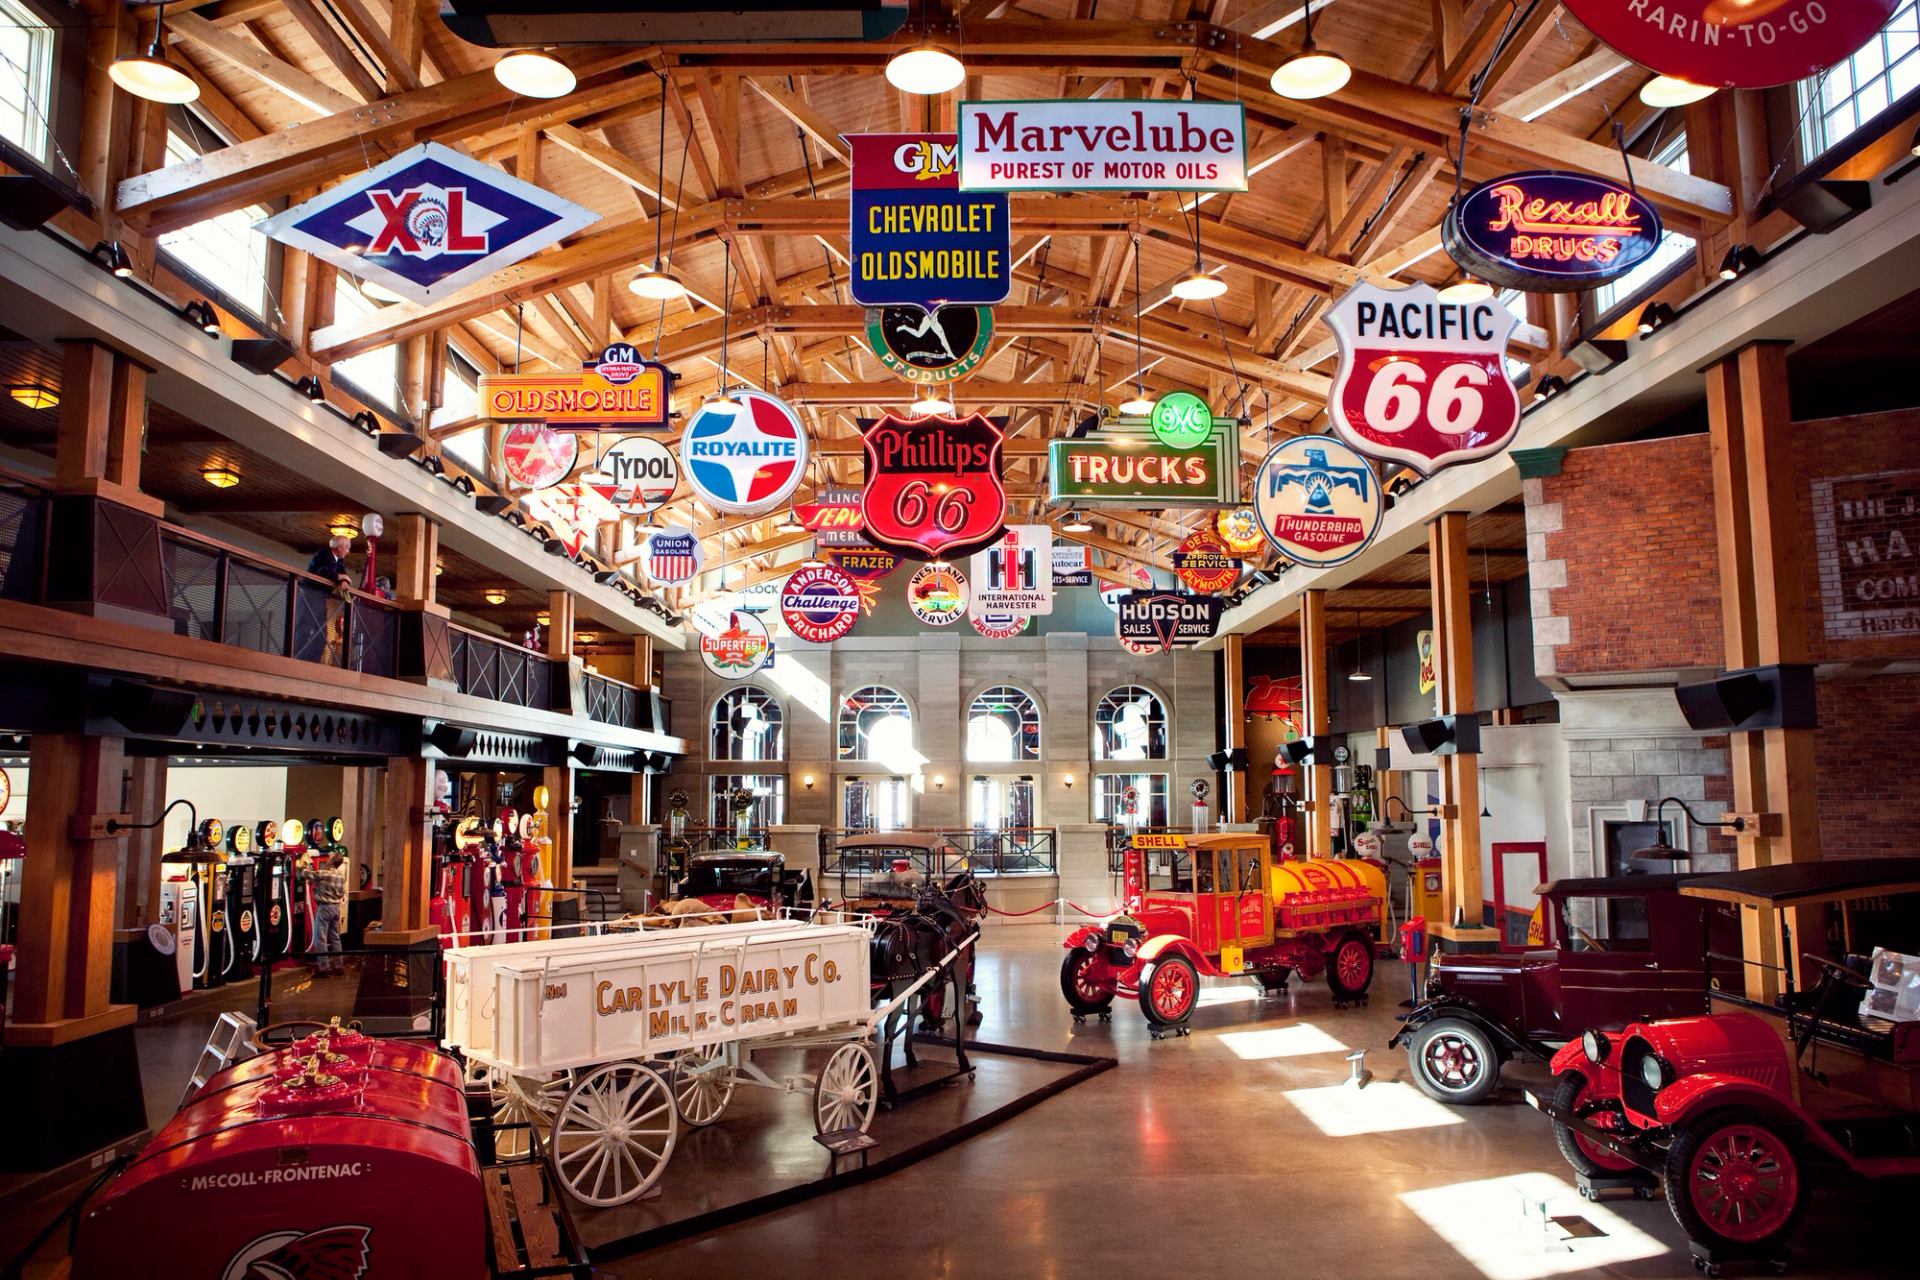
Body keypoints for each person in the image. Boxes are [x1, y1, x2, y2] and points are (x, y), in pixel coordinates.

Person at [313, 850, 348, 975]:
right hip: (336, 908)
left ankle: (324, 968)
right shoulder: (341, 876)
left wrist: (304, 864)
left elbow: (307, 874)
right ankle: (339, 966)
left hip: (325, 908)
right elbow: (342, 893)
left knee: (320, 938)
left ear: (333, 860)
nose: (328, 858)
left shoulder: (325, 874)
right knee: (335, 938)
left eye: (330, 856)